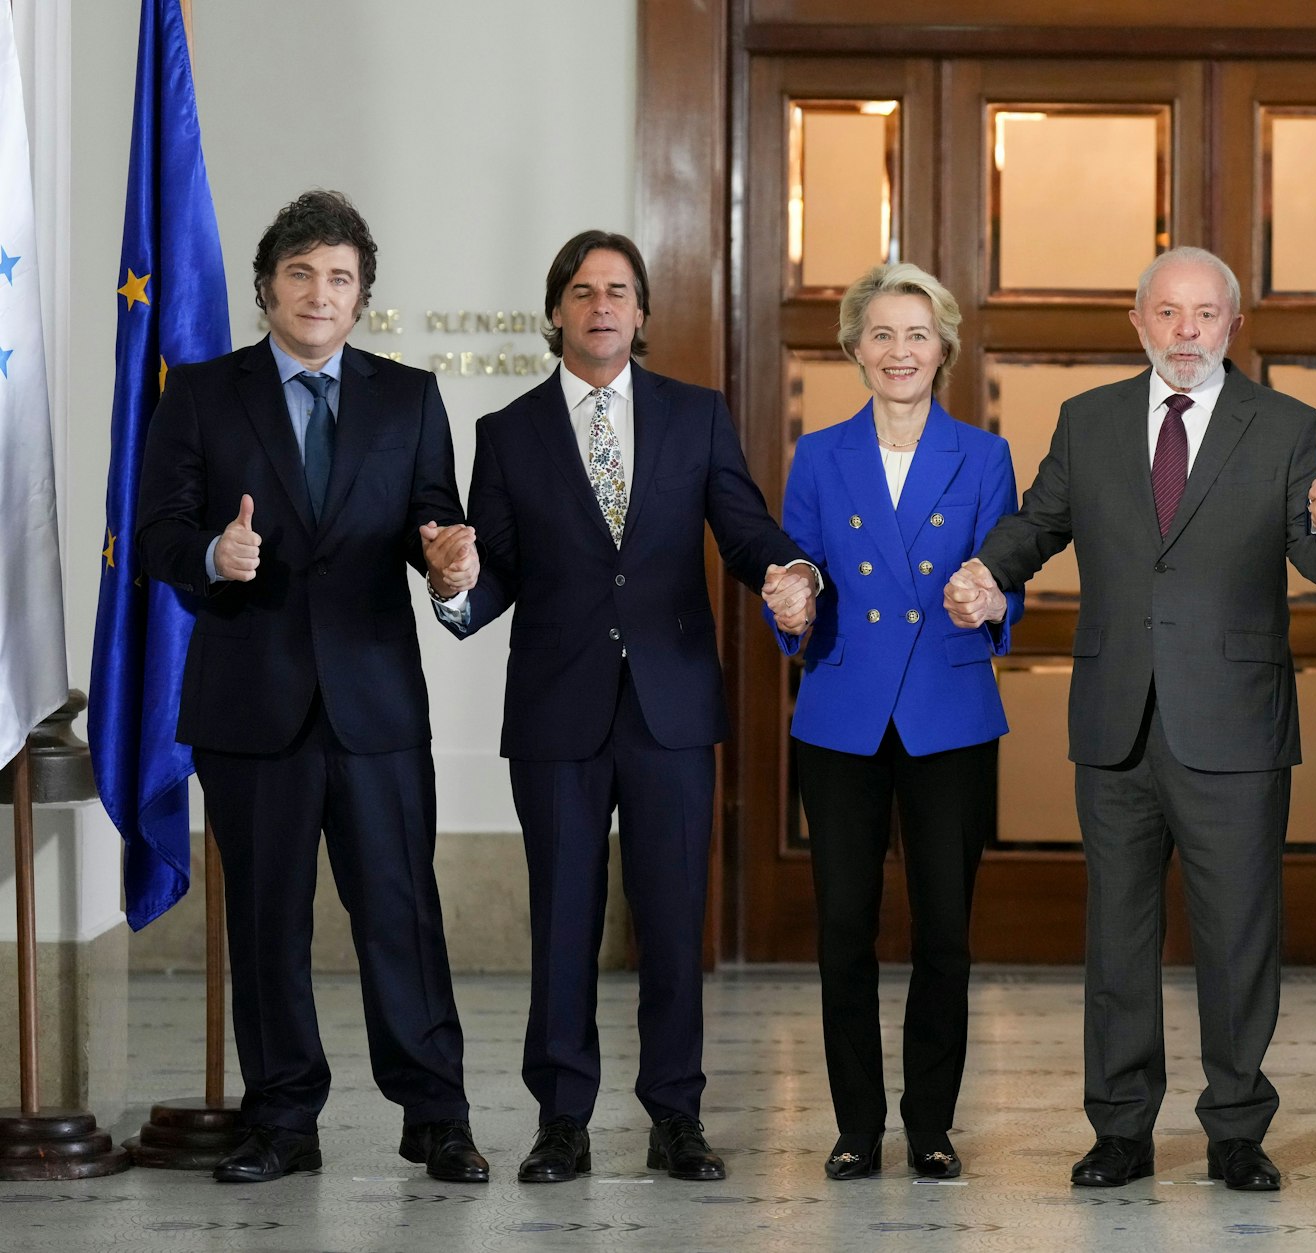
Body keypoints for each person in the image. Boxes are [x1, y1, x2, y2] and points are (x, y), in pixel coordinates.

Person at [947, 246, 1316, 1191]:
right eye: (1169, 313)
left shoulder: (1287, 424)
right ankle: (1120, 1129)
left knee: (1240, 934)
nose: (1186, 332)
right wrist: (987, 571)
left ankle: (1236, 1130)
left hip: (1236, 722)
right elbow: (1038, 521)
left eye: (1206, 315)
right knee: (1119, 935)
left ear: (1234, 326)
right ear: (1137, 322)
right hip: (1116, 719)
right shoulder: (1087, 419)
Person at [432, 230, 818, 1183]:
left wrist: (789, 571)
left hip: (670, 707)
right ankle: (561, 1121)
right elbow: (495, 572)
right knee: (562, 920)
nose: (600, 304)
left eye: (617, 290)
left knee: (673, 922)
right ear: (555, 310)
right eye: (582, 290)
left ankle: (675, 1117)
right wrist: (454, 585)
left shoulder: (695, 414)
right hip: (556, 714)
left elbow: (743, 528)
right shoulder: (509, 432)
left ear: (641, 312)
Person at [137, 190, 487, 1184]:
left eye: (339, 277)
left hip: (375, 706)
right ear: (267, 288)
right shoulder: (202, 393)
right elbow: (157, 532)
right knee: (267, 923)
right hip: (251, 706)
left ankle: (437, 1116)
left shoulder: (408, 397)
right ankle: (284, 1119)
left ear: (361, 295)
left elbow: (433, 523)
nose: (319, 293)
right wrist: (215, 552)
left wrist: (450, 568)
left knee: (400, 915)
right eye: (300, 273)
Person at [768, 263, 1022, 1181]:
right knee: (845, 929)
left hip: (948, 715)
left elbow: (1004, 576)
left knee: (944, 932)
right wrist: (790, 601)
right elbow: (798, 572)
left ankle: (931, 1125)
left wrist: (990, 599)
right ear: (854, 348)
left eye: (917, 334)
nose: (900, 351)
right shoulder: (818, 455)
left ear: (943, 348)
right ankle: (855, 1125)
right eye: (882, 334)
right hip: (843, 713)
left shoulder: (984, 455)